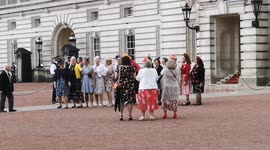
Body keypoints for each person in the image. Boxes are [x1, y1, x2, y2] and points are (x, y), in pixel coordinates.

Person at [115, 55, 136, 121]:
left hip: (121, 86)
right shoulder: (132, 68)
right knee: (130, 101)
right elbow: (134, 77)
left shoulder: (119, 67)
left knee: (121, 101)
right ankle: (130, 115)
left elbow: (116, 76)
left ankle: (121, 115)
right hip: (130, 86)